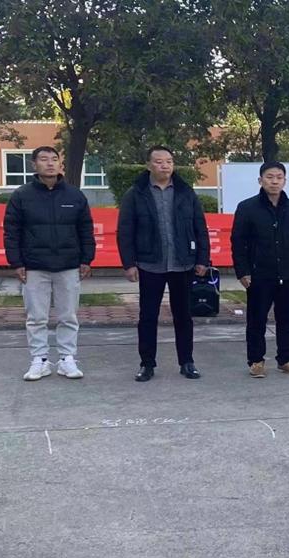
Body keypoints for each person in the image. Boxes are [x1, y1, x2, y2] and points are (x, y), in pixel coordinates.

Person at [117, 146, 210, 382]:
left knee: (184, 316)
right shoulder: (136, 193)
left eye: (169, 161)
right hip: (150, 264)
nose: (164, 166)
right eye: (159, 162)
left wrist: (202, 259)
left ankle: (187, 362)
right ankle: (147, 364)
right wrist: (129, 263)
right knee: (148, 316)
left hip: (182, 263)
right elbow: (125, 231)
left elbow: (200, 227)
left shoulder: (185, 192)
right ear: (149, 165)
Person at [3, 146, 95, 381]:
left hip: (68, 265)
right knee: (36, 317)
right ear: (34, 165)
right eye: (44, 159)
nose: (50, 163)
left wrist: (86, 259)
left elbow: (86, 229)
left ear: (60, 164)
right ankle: (40, 360)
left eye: (54, 159)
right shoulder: (22, 196)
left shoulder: (74, 196)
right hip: (34, 266)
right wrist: (16, 262)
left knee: (68, 316)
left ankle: (67, 359)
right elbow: (11, 232)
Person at [231, 161, 289, 378]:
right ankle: (256, 361)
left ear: (285, 181)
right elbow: (238, 242)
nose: (274, 181)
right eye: (269, 177)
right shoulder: (247, 207)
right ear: (260, 180)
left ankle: (286, 359)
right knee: (256, 320)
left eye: (279, 177)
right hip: (259, 274)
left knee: (287, 320)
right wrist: (242, 271)